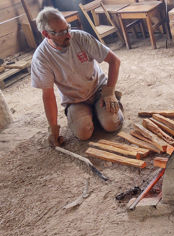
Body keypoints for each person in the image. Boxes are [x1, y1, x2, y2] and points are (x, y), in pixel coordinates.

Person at [31, 7, 123, 146]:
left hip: (98, 90)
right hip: (75, 100)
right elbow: (48, 95)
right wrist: (53, 129)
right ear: (46, 34)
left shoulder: (80, 37)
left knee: (112, 125)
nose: (68, 34)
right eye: (61, 32)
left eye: (67, 28)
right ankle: (91, 114)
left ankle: (105, 107)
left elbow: (114, 61)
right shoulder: (41, 58)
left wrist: (109, 92)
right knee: (83, 133)